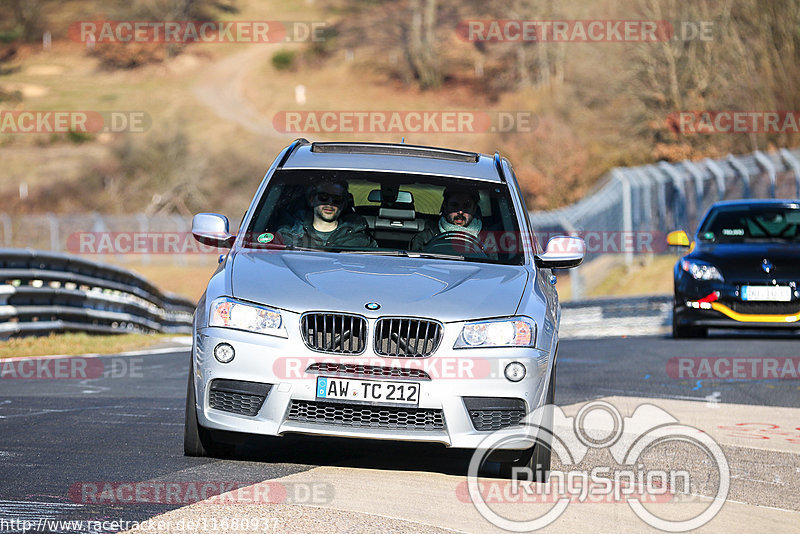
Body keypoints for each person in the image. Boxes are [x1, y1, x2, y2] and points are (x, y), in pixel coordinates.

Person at [276, 179, 377, 249]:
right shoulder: (288, 236)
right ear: (312, 200)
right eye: (323, 197)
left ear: (343, 204)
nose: (330, 203)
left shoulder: (360, 241)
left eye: (337, 199)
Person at [410, 186, 484, 250]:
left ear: (474, 209)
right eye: (454, 205)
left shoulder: (488, 239)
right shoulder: (425, 238)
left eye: (466, 206)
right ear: (445, 206)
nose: (460, 212)